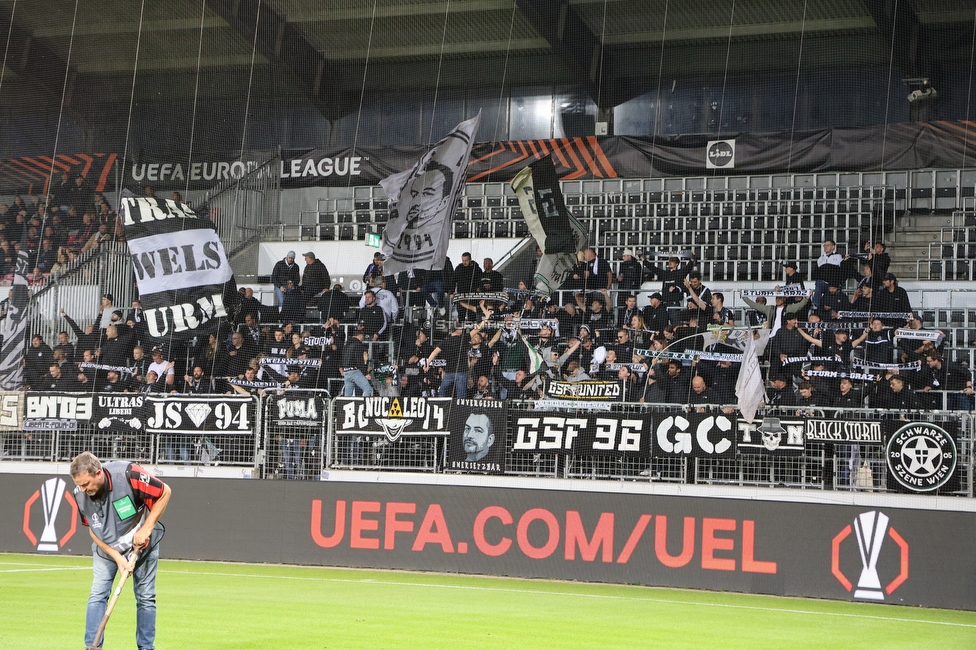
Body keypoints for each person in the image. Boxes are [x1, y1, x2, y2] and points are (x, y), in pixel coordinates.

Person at [70, 451, 171, 650]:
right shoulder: (79, 495)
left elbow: (165, 491)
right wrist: (117, 557)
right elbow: (93, 530)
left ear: (98, 473)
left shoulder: (128, 474)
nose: (82, 489)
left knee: (145, 596)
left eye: (85, 484)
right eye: (78, 485)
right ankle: (93, 646)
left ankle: (146, 647)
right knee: (98, 594)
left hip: (142, 545)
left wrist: (146, 528)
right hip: (106, 548)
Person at [340, 324, 373, 397]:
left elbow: (341, 358)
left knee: (347, 395)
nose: (363, 338)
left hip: (346, 372)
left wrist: (342, 369)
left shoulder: (346, 344)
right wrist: (365, 373)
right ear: (360, 335)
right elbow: (359, 360)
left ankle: (343, 407)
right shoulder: (358, 344)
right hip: (354, 372)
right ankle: (364, 406)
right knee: (368, 389)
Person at [812, 239, 843, 311]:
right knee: (818, 283)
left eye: (828, 245)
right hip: (823, 283)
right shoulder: (820, 259)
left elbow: (843, 270)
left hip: (834, 284)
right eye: (824, 245)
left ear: (833, 247)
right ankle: (816, 306)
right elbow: (815, 273)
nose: (825, 247)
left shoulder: (839, 257)